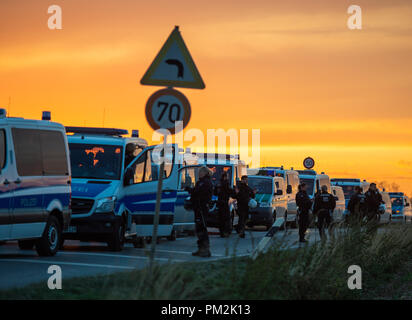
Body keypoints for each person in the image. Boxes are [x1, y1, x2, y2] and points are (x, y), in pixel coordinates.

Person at [187, 166, 213, 257]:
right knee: (199, 228)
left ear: (204, 173)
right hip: (199, 208)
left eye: (200, 172)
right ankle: (201, 249)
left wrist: (191, 190)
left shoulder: (205, 182)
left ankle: (205, 249)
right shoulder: (201, 182)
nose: (199, 174)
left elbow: (198, 193)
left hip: (201, 208)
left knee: (202, 228)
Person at [215, 172, 234, 238]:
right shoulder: (226, 184)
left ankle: (222, 232)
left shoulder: (218, 184)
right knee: (226, 218)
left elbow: (215, 192)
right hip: (225, 203)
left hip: (219, 202)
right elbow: (230, 192)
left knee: (221, 219)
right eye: (227, 176)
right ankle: (226, 232)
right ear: (225, 177)